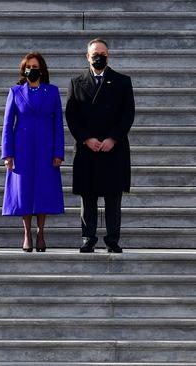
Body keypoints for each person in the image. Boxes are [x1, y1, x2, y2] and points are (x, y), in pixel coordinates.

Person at [66, 38, 135, 253]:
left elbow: (128, 114)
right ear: (87, 56)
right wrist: (86, 138)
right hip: (88, 148)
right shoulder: (76, 82)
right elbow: (71, 115)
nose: (99, 57)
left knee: (114, 196)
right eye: (95, 53)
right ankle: (88, 237)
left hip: (114, 148)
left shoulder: (122, 81)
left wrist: (112, 138)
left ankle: (113, 238)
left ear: (109, 55)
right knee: (88, 196)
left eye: (103, 53)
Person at [1, 52, 65, 252]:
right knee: (24, 190)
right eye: (29, 66)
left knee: (43, 189)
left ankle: (41, 233)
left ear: (42, 69)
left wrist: (58, 152)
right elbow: (7, 124)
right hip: (23, 147)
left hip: (46, 146)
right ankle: (27, 233)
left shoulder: (52, 92)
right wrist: (7, 153)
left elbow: (58, 124)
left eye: (35, 66)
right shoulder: (15, 91)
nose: (32, 70)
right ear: (23, 69)